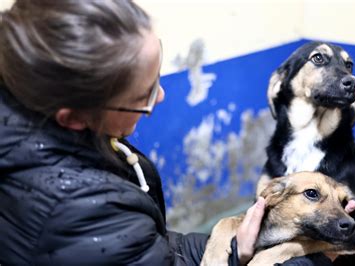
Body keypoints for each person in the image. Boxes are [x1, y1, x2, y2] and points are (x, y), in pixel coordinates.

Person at [0, 1, 332, 265]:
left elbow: (144, 249)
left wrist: (229, 249)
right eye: (142, 97)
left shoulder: (30, 105)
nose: (160, 96)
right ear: (73, 118)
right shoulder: (77, 207)